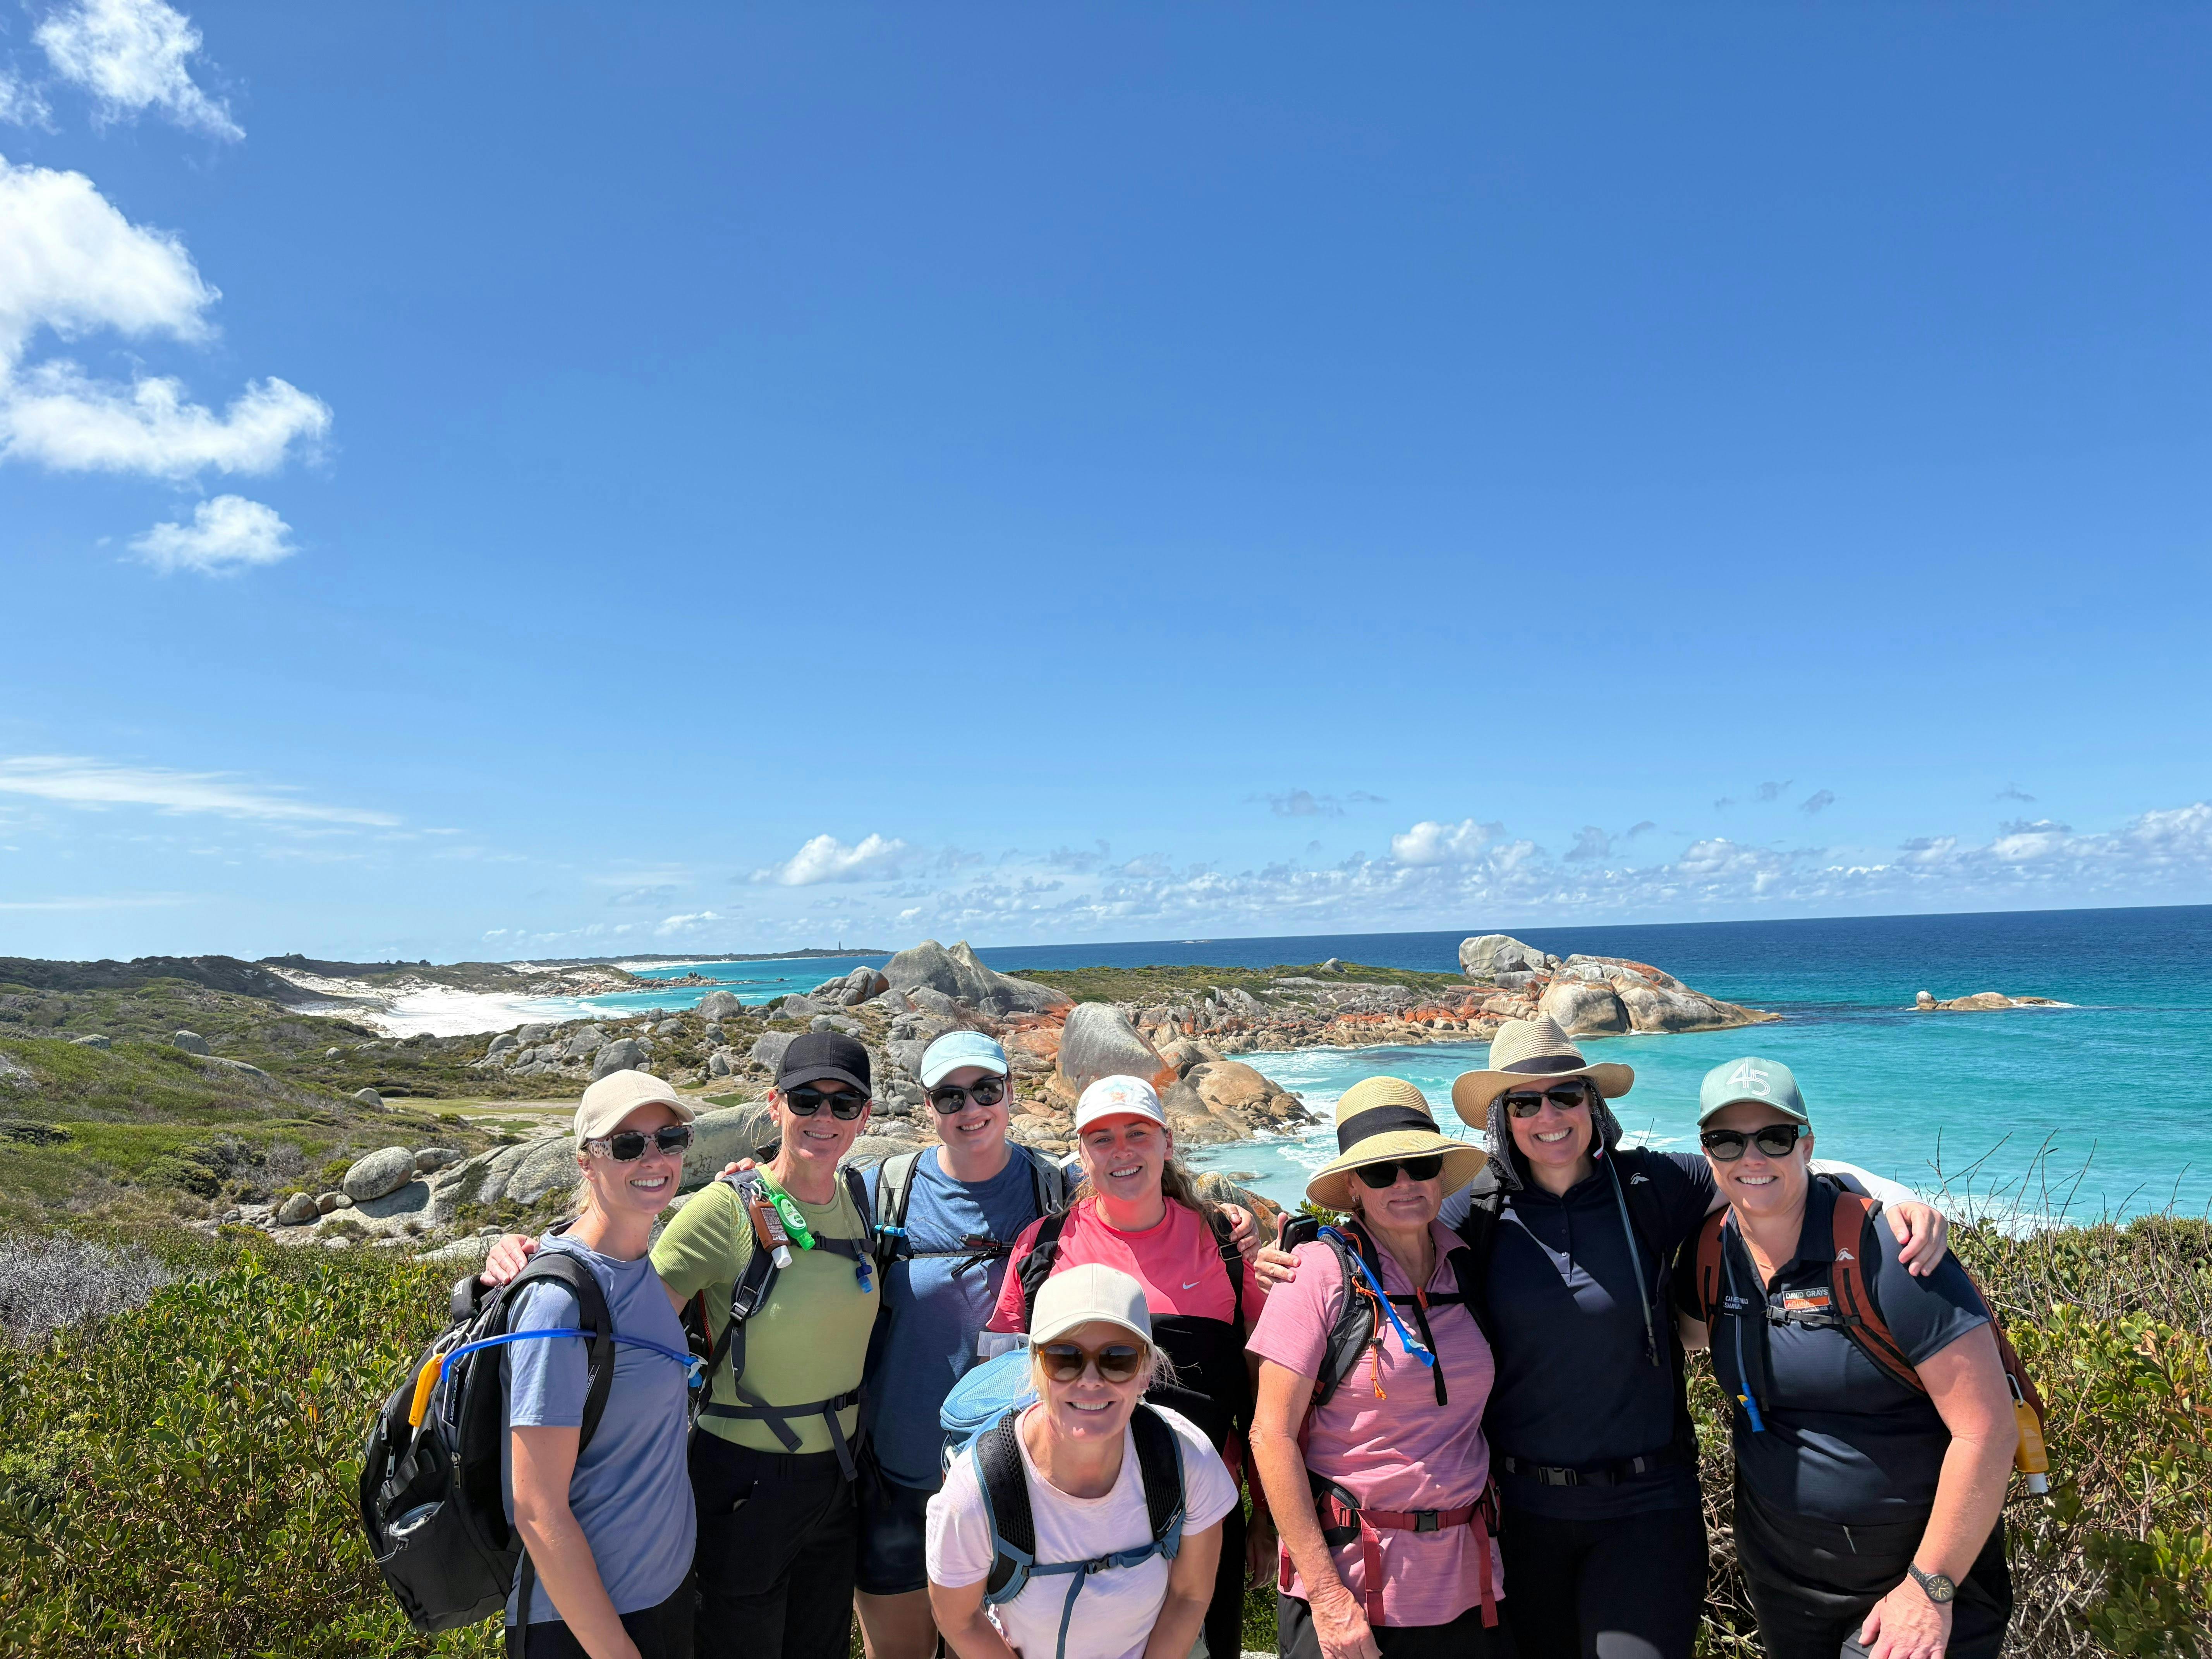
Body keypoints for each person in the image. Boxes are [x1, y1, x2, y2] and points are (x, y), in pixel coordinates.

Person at [1255, 1015, 1955, 1659]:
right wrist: (1291, 1238)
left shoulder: (1652, 1182)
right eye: (1523, 1103)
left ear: (1594, 1103)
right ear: (1503, 1118)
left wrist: (1891, 1199)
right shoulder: (1478, 1204)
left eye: (1564, 1095)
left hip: (1645, 1507)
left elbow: (1762, 1172)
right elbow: (1380, 1220)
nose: (1546, 1115)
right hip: (1519, 1514)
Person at [487, 1030, 884, 1659]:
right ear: (775, 1103)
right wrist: (532, 1259)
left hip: (837, 1479)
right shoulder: (724, 1210)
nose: (824, 1117)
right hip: (745, 1484)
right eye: (807, 1099)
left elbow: (629, 1271)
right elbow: (610, 1295)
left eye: (844, 1103)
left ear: (866, 1114)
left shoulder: (861, 1200)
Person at [1676, 1058, 2017, 1659]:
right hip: (1785, 1589)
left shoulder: (1890, 1253)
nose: (1750, 1158)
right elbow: (1680, 1335)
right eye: (1727, 1141)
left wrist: (1929, 1588)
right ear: (1707, 1154)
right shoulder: (1709, 1252)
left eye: (1774, 1138)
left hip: (1911, 1588)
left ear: (1806, 1143)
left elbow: (1985, 1430)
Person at [985, 1075, 1271, 1659]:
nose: (1122, 1151)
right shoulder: (1044, 1246)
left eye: (1137, 1133)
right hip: (1061, 1521)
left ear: (1166, 1142)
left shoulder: (1223, 1244)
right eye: (1102, 1138)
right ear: (1082, 1155)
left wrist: (1266, 1518)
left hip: (1201, 1518)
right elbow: (1000, 1393)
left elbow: (1260, 1396)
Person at [1246, 1078, 1511, 1659]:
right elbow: (1270, 1436)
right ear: (1352, 1187)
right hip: (1353, 1589)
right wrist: (1327, 1597)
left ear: (1441, 1173)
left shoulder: (1469, 1265)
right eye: (1380, 1172)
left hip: (1471, 1585)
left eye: (1418, 1164)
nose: (1404, 1184)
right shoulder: (1316, 1273)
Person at [852, 1031, 1076, 1659]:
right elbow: (784, 1214)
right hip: (899, 1472)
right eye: (950, 1094)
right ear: (928, 1105)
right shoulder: (882, 1191)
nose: (969, 1107)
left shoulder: (1054, 1189)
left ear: (1010, 1091)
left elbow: (1145, 1194)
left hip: (1014, 1477)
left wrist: (1236, 1227)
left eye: (985, 1089)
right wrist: (742, 1185)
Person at [928, 1263, 1237, 1659]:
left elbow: (1190, 1595)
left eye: (1118, 1358)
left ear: (1146, 1373)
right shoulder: (981, 1485)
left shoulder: (1184, 1456)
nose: (1091, 1380)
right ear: (1036, 1370)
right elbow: (959, 1618)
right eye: (1064, 1358)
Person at [503, 1070, 700, 1659]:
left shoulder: (641, 1265)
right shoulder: (558, 1302)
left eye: (669, 1139)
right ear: (587, 1162)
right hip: (587, 1625)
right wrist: (614, 1649)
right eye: (627, 1145)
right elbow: (537, 1509)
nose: (654, 1158)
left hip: (660, 1595)